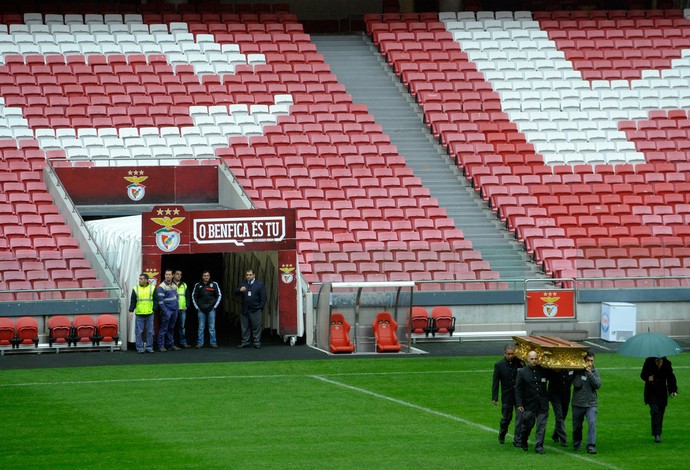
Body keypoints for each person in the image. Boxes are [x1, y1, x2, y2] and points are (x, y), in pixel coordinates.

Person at [515, 350, 550, 454]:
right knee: (527, 425)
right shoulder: (522, 372)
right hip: (529, 404)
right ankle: (524, 440)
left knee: (541, 427)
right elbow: (518, 388)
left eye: (536, 358)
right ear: (527, 359)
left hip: (542, 404)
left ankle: (539, 446)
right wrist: (519, 404)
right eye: (532, 359)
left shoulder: (544, 370)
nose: (534, 361)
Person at [491, 344, 524, 447]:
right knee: (506, 419)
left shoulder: (519, 363)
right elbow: (495, 382)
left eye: (512, 354)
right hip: (507, 396)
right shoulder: (499, 365)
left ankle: (517, 439)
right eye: (508, 354)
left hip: (519, 396)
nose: (510, 356)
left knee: (520, 418)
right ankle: (502, 433)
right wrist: (494, 398)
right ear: (504, 353)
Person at [641, 356, 678, 443]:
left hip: (662, 393)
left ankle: (658, 433)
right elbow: (642, 375)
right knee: (655, 411)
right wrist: (648, 378)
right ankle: (656, 434)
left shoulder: (667, 364)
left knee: (660, 413)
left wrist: (673, 390)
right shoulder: (648, 362)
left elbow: (670, 378)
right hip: (651, 392)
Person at [571, 352, 601, 454]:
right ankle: (576, 443)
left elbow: (597, 385)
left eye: (591, 361)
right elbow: (577, 384)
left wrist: (590, 375)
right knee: (577, 426)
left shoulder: (595, 371)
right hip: (578, 403)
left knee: (592, 423)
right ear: (584, 360)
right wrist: (580, 372)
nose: (590, 363)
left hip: (591, 404)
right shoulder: (577, 372)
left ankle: (591, 446)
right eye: (588, 360)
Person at [235, 268, 267, 349]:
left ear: (254, 275)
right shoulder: (243, 283)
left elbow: (263, 297)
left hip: (255, 309)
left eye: (250, 275)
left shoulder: (259, 284)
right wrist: (239, 290)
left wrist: (260, 307)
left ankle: (257, 342)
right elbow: (235, 292)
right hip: (245, 308)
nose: (248, 276)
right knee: (244, 327)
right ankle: (245, 342)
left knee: (256, 326)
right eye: (247, 275)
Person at [192, 270, 222, 348]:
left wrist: (215, 306)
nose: (206, 277)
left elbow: (219, 295)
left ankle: (213, 343)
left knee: (211, 327)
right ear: (202, 277)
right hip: (201, 309)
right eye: (205, 275)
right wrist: (197, 307)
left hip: (211, 309)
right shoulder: (198, 285)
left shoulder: (214, 284)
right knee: (201, 327)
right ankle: (200, 343)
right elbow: (194, 296)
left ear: (209, 276)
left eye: (207, 275)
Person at [128, 273, 155, 353]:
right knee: (139, 332)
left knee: (150, 331)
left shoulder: (152, 288)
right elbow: (133, 301)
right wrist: (131, 311)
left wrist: (154, 308)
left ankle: (149, 347)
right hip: (139, 314)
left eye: (141, 279)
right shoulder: (135, 288)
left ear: (146, 280)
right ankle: (139, 348)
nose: (139, 280)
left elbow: (156, 300)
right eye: (139, 279)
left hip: (150, 313)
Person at [548, 368, 574, 447]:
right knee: (559, 415)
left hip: (566, 394)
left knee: (563, 415)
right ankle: (563, 438)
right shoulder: (554, 367)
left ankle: (555, 434)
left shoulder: (571, 367)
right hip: (554, 393)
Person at [156, 269, 180, 352]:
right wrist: (165, 311)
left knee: (171, 328)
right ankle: (161, 346)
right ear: (164, 275)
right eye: (166, 274)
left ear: (172, 275)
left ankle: (170, 344)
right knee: (163, 329)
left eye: (169, 274)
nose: (168, 276)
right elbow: (160, 302)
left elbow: (176, 297)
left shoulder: (174, 285)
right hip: (167, 311)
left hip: (174, 310)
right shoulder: (161, 287)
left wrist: (177, 308)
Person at [174, 269, 191, 348]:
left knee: (182, 327)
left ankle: (183, 342)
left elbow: (187, 296)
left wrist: (187, 305)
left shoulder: (184, 285)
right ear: (173, 275)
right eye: (177, 274)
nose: (179, 276)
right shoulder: (170, 284)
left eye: (180, 274)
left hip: (182, 309)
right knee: (172, 327)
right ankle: (173, 343)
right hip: (173, 309)